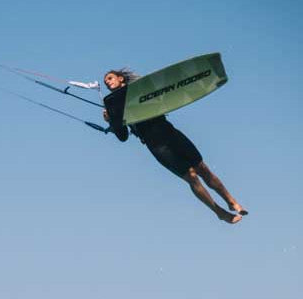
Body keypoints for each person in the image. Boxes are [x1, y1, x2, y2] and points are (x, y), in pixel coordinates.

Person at [102, 69, 247, 224]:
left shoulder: (140, 89)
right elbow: (123, 136)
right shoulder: (112, 105)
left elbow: (164, 97)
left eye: (110, 78)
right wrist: (110, 120)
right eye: (106, 83)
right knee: (191, 176)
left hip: (169, 132)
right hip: (155, 144)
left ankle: (231, 201)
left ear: (120, 78)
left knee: (203, 169)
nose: (108, 83)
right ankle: (220, 212)